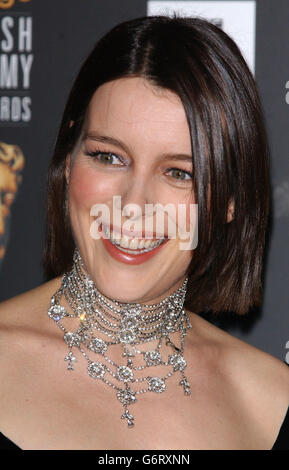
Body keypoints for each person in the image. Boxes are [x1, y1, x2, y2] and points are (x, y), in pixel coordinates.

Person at [0, 14, 288, 451]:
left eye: (179, 173)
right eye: (109, 157)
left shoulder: (274, 401)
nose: (134, 206)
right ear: (68, 160)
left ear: (231, 199)